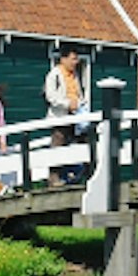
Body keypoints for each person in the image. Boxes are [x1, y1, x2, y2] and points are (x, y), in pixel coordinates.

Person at [44, 47, 84, 186]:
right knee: (58, 144)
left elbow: (79, 93)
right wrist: (67, 104)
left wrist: (80, 104)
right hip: (59, 117)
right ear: (63, 59)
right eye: (73, 59)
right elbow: (51, 97)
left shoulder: (74, 75)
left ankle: (72, 174)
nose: (76, 62)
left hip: (74, 116)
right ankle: (54, 178)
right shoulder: (54, 75)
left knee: (76, 144)